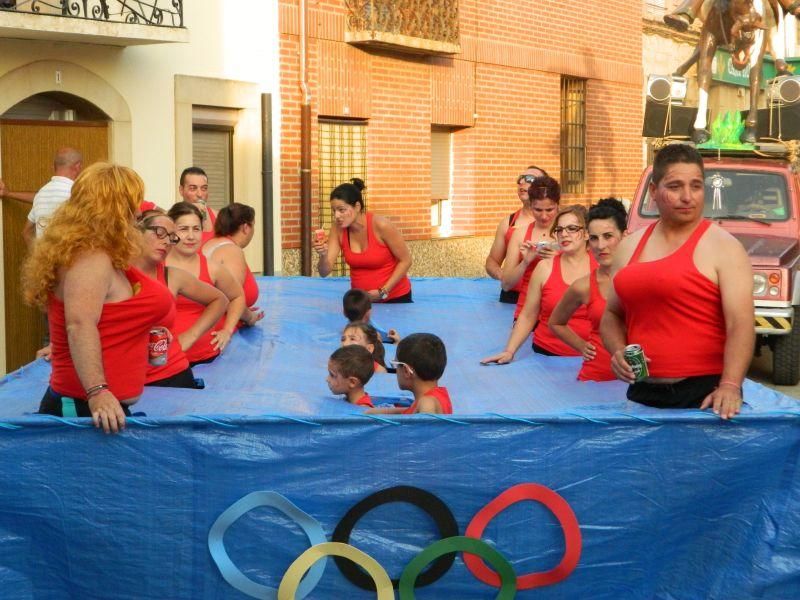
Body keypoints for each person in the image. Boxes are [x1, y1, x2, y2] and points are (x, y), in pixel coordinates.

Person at [601, 144, 754, 419]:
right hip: (642, 392)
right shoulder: (629, 247)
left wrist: (731, 385)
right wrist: (617, 350)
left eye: (696, 186)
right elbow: (612, 314)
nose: (687, 197)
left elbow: (740, 323)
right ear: (653, 192)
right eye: (675, 186)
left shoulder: (724, 247)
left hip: (705, 396)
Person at [22, 163, 171, 434]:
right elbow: (79, 325)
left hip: (99, 410)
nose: (137, 213)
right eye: (131, 205)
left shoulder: (101, 254)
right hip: (86, 411)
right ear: (114, 208)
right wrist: (98, 391)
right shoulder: (90, 259)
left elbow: (108, 320)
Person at [481, 205, 595, 364]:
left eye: (572, 228)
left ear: (587, 233)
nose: (564, 234)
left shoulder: (602, 268)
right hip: (546, 355)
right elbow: (528, 314)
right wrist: (509, 351)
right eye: (559, 229)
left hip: (592, 356)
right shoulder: (544, 268)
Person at [134, 210, 229, 387]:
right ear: (136, 233)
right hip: (128, 377)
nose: (166, 241)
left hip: (171, 373)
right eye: (159, 232)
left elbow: (220, 300)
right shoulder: (115, 274)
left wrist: (190, 336)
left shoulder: (172, 276)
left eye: (171, 237)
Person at [549, 199, 628, 381]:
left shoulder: (643, 277)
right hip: (595, 379)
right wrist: (582, 346)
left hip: (637, 381)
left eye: (608, 236)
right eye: (594, 238)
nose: (600, 245)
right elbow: (556, 322)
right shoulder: (583, 286)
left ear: (625, 236)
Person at [166, 202, 252, 366]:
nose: (191, 236)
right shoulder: (155, 265)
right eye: (184, 229)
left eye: (196, 229)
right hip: (164, 357)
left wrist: (227, 330)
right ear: (171, 231)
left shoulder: (212, 268)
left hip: (204, 358)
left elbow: (237, 296)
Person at [314, 178, 412, 303]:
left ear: (357, 206)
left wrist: (383, 291)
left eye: (341, 210)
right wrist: (323, 255)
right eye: (334, 211)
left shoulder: (381, 225)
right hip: (361, 301)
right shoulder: (337, 229)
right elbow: (324, 272)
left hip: (395, 298)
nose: (336, 216)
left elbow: (406, 260)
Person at [485, 165, 549, 303]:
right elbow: (492, 261)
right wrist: (502, 274)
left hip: (545, 297)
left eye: (529, 179)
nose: (522, 182)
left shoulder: (557, 221)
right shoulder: (508, 223)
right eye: (520, 179)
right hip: (512, 297)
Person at [501, 175, 561, 320]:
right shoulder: (520, 234)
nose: (544, 216)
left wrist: (559, 259)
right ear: (531, 205)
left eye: (550, 210)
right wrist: (526, 262)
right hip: (527, 310)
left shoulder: (569, 231)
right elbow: (506, 285)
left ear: (558, 205)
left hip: (560, 310)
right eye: (538, 210)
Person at [202, 203, 263, 325]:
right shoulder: (232, 251)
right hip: (216, 325)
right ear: (245, 227)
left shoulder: (211, 243)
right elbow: (230, 300)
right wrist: (249, 317)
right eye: (253, 225)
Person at [367, 333, 452, 415]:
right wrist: (373, 412)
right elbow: (409, 411)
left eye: (395, 364)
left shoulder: (426, 402)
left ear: (406, 371)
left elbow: (426, 421)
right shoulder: (440, 394)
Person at [23, 147, 83, 247]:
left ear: (54, 167)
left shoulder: (40, 194)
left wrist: (38, 256)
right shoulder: (77, 194)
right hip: (69, 260)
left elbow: (26, 232)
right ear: (78, 166)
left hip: (45, 260)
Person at [178, 166, 215, 243]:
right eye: (193, 188)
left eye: (204, 188)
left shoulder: (217, 217)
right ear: (181, 190)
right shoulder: (171, 217)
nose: (200, 194)